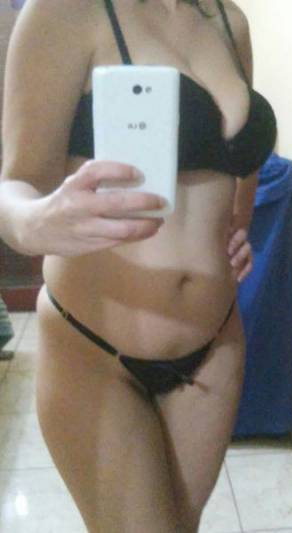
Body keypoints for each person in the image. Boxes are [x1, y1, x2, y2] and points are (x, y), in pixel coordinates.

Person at [0, 0, 277, 531]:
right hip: (94, 350)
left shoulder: (229, 19)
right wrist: (36, 221)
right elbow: (15, 185)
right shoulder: (63, 12)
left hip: (214, 349)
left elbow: (240, 156)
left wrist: (239, 223)